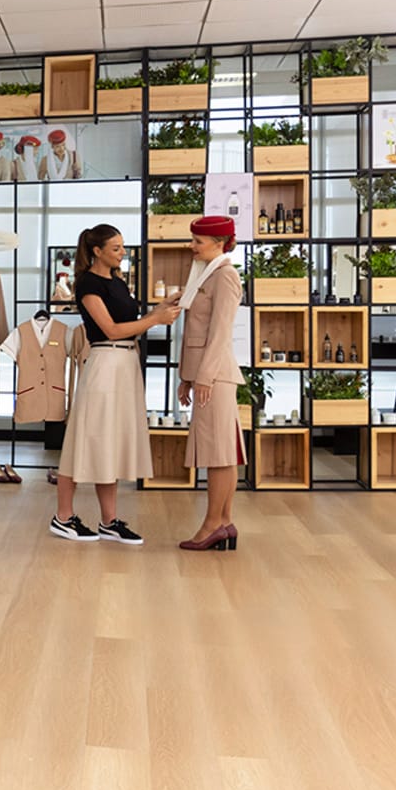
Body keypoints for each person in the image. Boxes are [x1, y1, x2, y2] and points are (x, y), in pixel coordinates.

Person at [50, 225, 180, 543]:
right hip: (104, 362)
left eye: (122, 247)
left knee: (111, 440)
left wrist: (162, 309)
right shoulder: (87, 284)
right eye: (116, 248)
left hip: (125, 364)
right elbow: (109, 329)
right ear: (97, 251)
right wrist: (155, 320)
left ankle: (109, 520)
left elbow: (130, 322)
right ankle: (63, 516)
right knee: (87, 437)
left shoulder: (118, 282)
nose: (122, 253)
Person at [176, 215, 245, 551]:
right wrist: (186, 377)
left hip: (215, 376)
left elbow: (220, 333)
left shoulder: (225, 277)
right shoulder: (206, 274)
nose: (192, 247)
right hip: (207, 375)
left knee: (219, 455)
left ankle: (212, 525)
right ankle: (225, 522)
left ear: (219, 243)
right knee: (223, 452)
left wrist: (201, 377)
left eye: (197, 242)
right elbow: (195, 332)